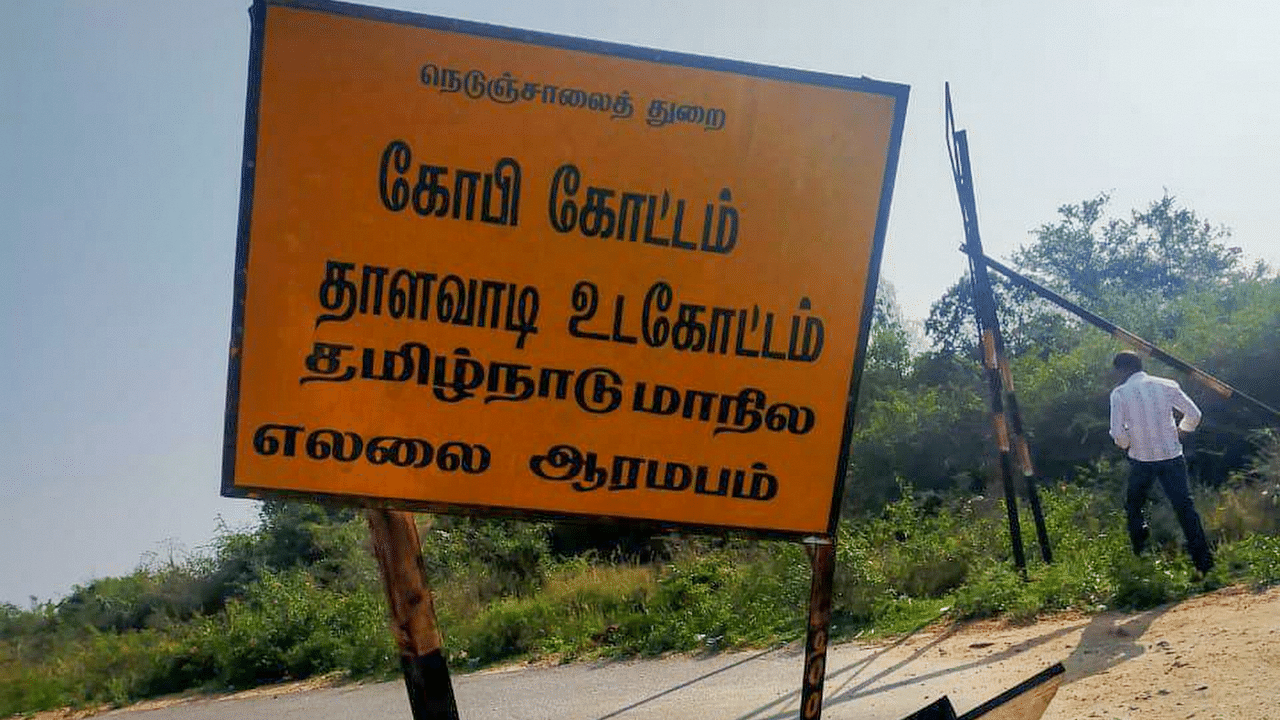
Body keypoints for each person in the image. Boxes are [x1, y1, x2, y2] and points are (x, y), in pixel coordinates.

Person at [1109, 351, 1214, 574]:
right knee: (1185, 508)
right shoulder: (1167, 385)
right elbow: (1194, 414)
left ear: (1122, 369)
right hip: (1172, 456)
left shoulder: (1119, 394)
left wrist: (1128, 442)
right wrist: (1181, 432)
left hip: (1142, 460)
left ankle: (1144, 561)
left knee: (1134, 508)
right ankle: (1204, 565)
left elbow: (1118, 435)